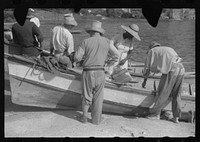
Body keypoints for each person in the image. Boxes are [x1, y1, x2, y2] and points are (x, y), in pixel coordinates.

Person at [74, 20, 120, 125]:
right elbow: (117, 55)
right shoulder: (107, 41)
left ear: (91, 31)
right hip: (100, 71)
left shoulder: (86, 41)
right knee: (98, 97)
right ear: (100, 32)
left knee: (86, 95)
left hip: (88, 72)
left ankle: (84, 118)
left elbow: (77, 58)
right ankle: (96, 120)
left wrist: (82, 58)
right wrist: (108, 63)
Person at [142, 42, 185, 123]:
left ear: (151, 48)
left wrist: (144, 81)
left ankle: (156, 114)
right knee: (177, 94)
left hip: (172, 70)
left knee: (162, 92)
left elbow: (147, 68)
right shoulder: (168, 49)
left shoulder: (152, 51)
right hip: (182, 69)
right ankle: (176, 117)